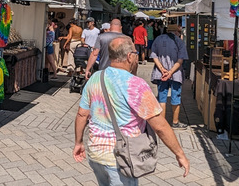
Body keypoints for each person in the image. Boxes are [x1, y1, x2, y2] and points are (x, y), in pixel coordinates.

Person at [73, 36, 190, 185]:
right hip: (121, 158)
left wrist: (78, 143)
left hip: (95, 154)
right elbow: (160, 126)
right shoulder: (136, 85)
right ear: (129, 56)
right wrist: (180, 154)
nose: (136, 57)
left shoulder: (96, 78)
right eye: (135, 53)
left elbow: (82, 114)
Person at [149, 26, 189, 128]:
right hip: (175, 74)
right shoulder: (179, 42)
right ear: (176, 31)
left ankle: (162, 122)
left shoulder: (158, 39)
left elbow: (154, 56)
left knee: (162, 97)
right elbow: (180, 60)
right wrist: (170, 72)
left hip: (161, 73)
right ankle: (175, 122)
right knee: (176, 97)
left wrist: (162, 69)